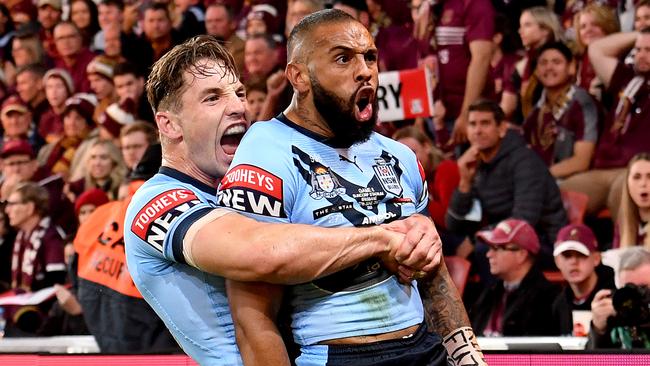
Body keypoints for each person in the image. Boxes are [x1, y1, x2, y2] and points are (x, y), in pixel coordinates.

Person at [124, 35, 449, 365]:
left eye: (239, 93)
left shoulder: (263, 179)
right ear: (169, 124)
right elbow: (258, 252)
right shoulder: (155, 203)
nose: (238, 107)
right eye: (212, 98)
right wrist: (385, 237)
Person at [221, 10, 483, 366]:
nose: (365, 71)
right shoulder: (266, 151)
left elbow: (432, 274)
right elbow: (252, 315)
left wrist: (467, 356)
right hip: (336, 353)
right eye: (343, 58)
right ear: (299, 76)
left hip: (424, 349)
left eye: (370, 57)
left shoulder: (399, 155)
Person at [446, 99, 567, 270]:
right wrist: (465, 182)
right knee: (445, 244)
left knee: (484, 251)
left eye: (485, 123)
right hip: (501, 238)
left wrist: (476, 238)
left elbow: (524, 218)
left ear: (502, 129)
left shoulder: (525, 161)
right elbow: (454, 226)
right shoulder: (475, 161)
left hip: (543, 241)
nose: (478, 130)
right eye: (472, 124)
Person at [560, 29, 650, 218]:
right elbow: (596, 49)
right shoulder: (626, 78)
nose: (641, 55)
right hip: (602, 170)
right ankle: (565, 245)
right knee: (557, 195)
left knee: (623, 193)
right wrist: (640, 34)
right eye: (638, 49)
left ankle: (628, 245)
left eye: (648, 50)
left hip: (637, 172)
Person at [470, 218, 560, 336]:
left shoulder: (547, 298)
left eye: (496, 248)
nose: (488, 254)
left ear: (521, 255)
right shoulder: (490, 293)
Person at [522, 41, 599, 179]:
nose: (549, 68)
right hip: (540, 181)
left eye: (556, 62)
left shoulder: (582, 103)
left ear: (571, 68)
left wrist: (539, 177)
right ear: (537, 72)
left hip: (573, 181)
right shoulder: (539, 108)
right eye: (543, 63)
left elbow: (581, 162)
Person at [551, 223, 615, 336]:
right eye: (567, 255)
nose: (573, 262)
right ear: (557, 261)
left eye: (581, 255)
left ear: (596, 259)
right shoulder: (559, 304)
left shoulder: (613, 297)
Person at [587, 246, 650, 349]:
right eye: (628, 289)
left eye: (642, 288)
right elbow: (590, 363)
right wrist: (598, 330)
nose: (636, 296)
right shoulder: (616, 310)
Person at [614, 152, 650, 248]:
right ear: (627, 183)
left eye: (649, 177)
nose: (643, 183)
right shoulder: (622, 221)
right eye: (637, 177)